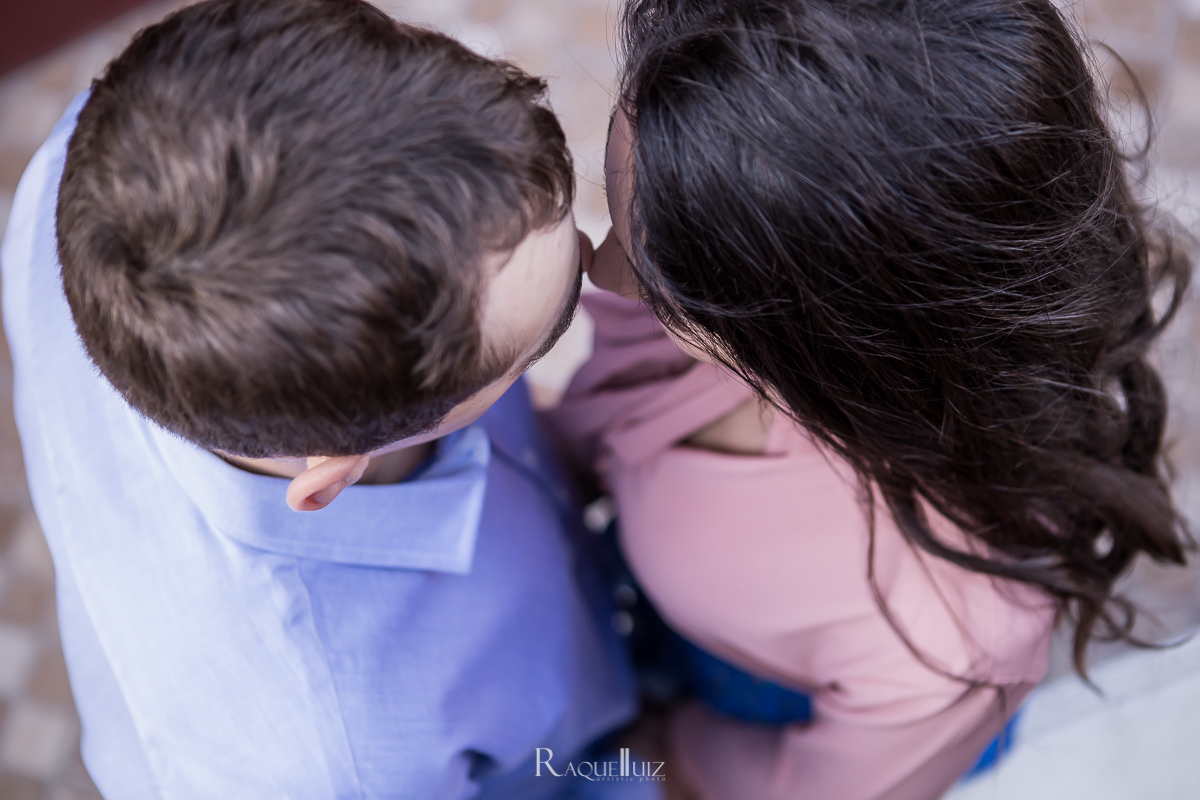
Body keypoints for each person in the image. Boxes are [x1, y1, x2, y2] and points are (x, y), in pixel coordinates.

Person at [0, 1, 645, 797]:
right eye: (545, 332)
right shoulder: (335, 762)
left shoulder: (94, 150)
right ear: (331, 474)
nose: (600, 259)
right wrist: (657, 772)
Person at [550, 0, 1192, 797]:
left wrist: (662, 750)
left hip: (750, 717)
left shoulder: (947, 633)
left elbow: (814, 788)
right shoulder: (719, 241)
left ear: (843, 335)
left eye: (659, 277)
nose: (597, 272)